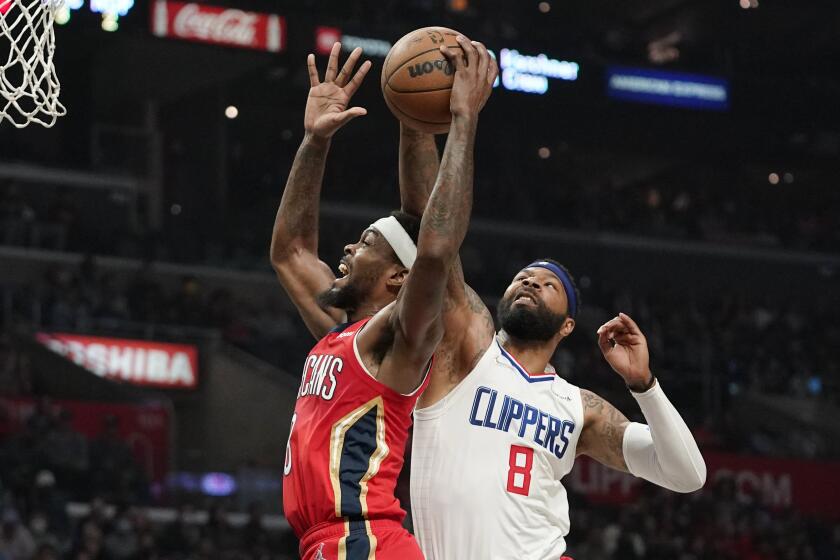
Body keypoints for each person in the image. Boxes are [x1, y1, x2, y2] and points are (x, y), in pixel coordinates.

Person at [397, 137, 707, 560]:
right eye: (523, 277)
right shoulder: (464, 350)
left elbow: (688, 475)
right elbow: (430, 231)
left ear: (568, 325)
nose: (530, 282)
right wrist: (419, 125)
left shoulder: (581, 408)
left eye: (549, 284)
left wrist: (644, 386)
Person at [270, 39, 497, 560]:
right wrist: (313, 142)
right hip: (330, 543)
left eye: (367, 240)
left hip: (366, 539)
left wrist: (463, 122)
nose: (349, 247)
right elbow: (290, 252)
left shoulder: (396, 337)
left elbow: (437, 250)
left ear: (399, 276)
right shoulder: (338, 327)